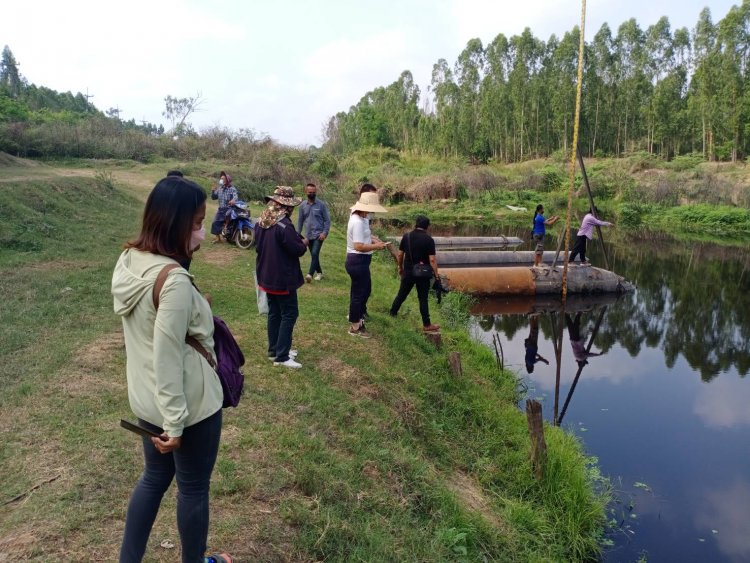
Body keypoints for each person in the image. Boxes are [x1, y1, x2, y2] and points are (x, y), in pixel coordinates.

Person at [111, 176, 232, 563]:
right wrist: (176, 425)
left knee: (153, 479)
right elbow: (166, 353)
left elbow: (155, 328)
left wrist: (197, 307)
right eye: (197, 224)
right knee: (193, 488)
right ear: (174, 223)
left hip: (147, 402)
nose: (200, 235)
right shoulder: (174, 279)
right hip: (187, 408)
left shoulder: (131, 260)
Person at [255, 186, 308, 368]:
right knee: (289, 313)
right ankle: (282, 356)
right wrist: (303, 242)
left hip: (266, 275)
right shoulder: (284, 225)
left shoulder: (261, 221)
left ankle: (275, 350)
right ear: (285, 206)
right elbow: (297, 249)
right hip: (282, 278)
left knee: (275, 312)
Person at [346, 188, 390, 338]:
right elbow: (358, 245)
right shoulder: (357, 221)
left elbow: (365, 237)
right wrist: (376, 247)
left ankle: (357, 318)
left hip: (360, 261)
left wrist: (374, 240)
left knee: (363, 291)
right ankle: (355, 326)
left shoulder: (361, 218)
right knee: (359, 293)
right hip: (357, 260)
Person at [389, 215, 440, 332]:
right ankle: (427, 325)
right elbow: (432, 260)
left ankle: (392, 313)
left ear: (416, 224)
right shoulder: (429, 240)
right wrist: (436, 276)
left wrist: (400, 267)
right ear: (427, 226)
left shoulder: (406, 237)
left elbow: (400, 254)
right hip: (423, 274)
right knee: (423, 298)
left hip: (408, 272)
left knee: (401, 294)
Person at [297, 183, 331, 283]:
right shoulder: (303, 205)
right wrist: (298, 234)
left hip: (318, 235)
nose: (312, 194)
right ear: (306, 192)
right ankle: (319, 273)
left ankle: (310, 274)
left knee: (315, 253)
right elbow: (300, 221)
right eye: (310, 192)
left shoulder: (321, 205)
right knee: (314, 255)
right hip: (308, 235)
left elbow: (327, 221)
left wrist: (324, 233)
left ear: (316, 192)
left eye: (313, 192)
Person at [210, 171, 238, 243]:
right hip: (221, 209)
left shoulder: (232, 188)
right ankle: (218, 238)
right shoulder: (220, 188)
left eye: (223, 179)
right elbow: (213, 197)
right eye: (221, 178)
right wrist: (213, 190)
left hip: (229, 208)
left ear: (227, 180)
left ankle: (228, 235)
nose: (221, 180)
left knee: (227, 222)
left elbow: (235, 196)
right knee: (215, 222)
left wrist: (233, 200)